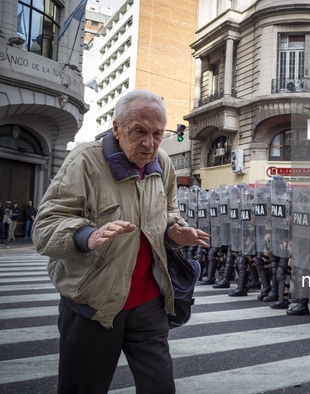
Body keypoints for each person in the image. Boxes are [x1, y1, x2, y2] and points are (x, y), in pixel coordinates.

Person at [32, 89, 209, 394]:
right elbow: (46, 225)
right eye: (139, 131)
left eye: (157, 133)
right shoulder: (85, 160)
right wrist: (86, 236)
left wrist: (173, 230)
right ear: (116, 128)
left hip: (150, 302)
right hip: (94, 305)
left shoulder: (162, 162)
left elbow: (168, 210)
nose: (149, 143)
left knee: (160, 387)